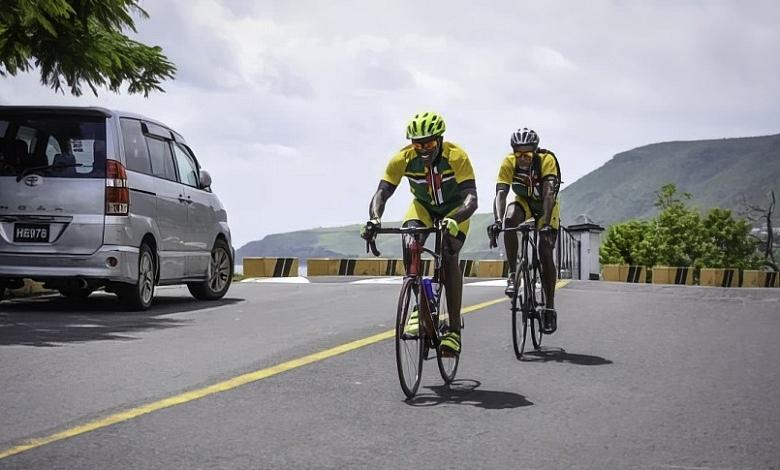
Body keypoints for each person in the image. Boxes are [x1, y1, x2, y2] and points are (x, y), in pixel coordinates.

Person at [361, 111, 478, 355]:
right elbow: (382, 192)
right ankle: (421, 304)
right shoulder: (402, 159)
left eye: (429, 144)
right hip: (423, 207)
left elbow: (471, 199)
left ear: (440, 140)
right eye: (417, 145)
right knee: (410, 240)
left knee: (448, 255)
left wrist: (454, 219)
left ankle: (454, 329)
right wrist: (374, 218)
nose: (423, 150)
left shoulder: (456, 157)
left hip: (455, 209)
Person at [487, 128, 561, 334]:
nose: (522, 159)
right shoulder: (508, 162)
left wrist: (545, 223)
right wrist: (497, 220)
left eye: (527, 154)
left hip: (546, 207)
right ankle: (513, 274)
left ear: (535, 152)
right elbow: (501, 194)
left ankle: (549, 307)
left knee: (545, 251)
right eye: (518, 154)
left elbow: (548, 193)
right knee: (509, 220)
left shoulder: (546, 161)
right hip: (524, 202)